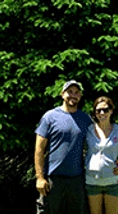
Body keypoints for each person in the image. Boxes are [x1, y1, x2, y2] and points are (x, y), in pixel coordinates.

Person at [34, 80, 92, 214]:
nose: (73, 95)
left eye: (77, 92)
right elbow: (39, 149)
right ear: (62, 94)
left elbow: (99, 143)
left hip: (76, 179)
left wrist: (115, 161)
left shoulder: (85, 119)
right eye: (70, 92)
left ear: (80, 96)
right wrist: (40, 178)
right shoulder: (50, 117)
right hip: (53, 179)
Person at [85, 96, 118, 214]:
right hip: (92, 182)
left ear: (111, 111)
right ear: (95, 112)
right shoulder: (88, 130)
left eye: (106, 110)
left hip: (112, 183)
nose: (102, 113)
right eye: (98, 110)